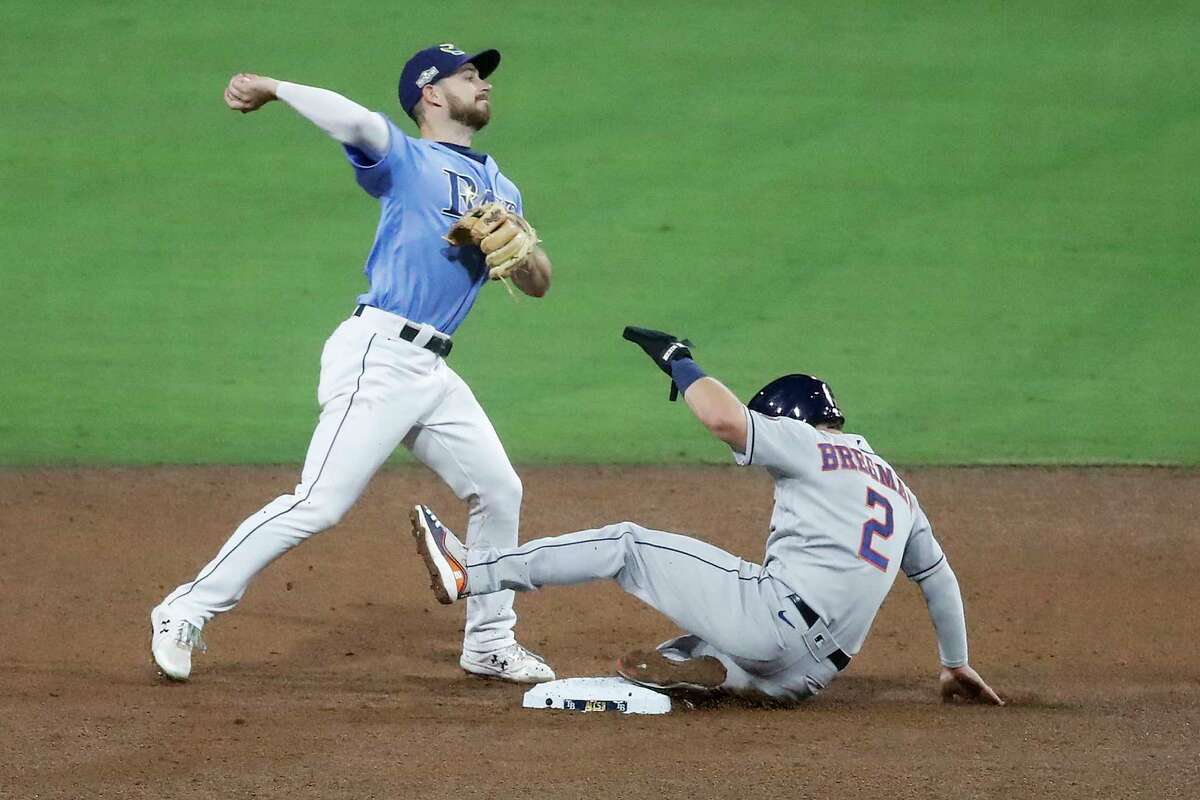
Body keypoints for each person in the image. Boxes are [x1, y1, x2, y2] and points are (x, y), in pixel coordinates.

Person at [150, 43, 556, 684]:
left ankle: (489, 642)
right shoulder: (408, 161)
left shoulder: (499, 185)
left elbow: (539, 283)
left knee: (499, 490)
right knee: (318, 503)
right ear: (431, 93)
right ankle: (185, 608)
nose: (484, 86)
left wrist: (521, 250)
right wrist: (277, 86)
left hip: (432, 371)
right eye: (469, 76)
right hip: (381, 355)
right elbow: (356, 121)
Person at [408, 327, 1002, 704]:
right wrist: (955, 663)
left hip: (773, 619)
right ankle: (708, 668)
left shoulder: (807, 443)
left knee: (628, 545)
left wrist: (679, 361)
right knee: (692, 645)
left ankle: (473, 570)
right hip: (814, 675)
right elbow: (937, 579)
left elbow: (724, 421)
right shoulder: (898, 489)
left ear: (790, 420)